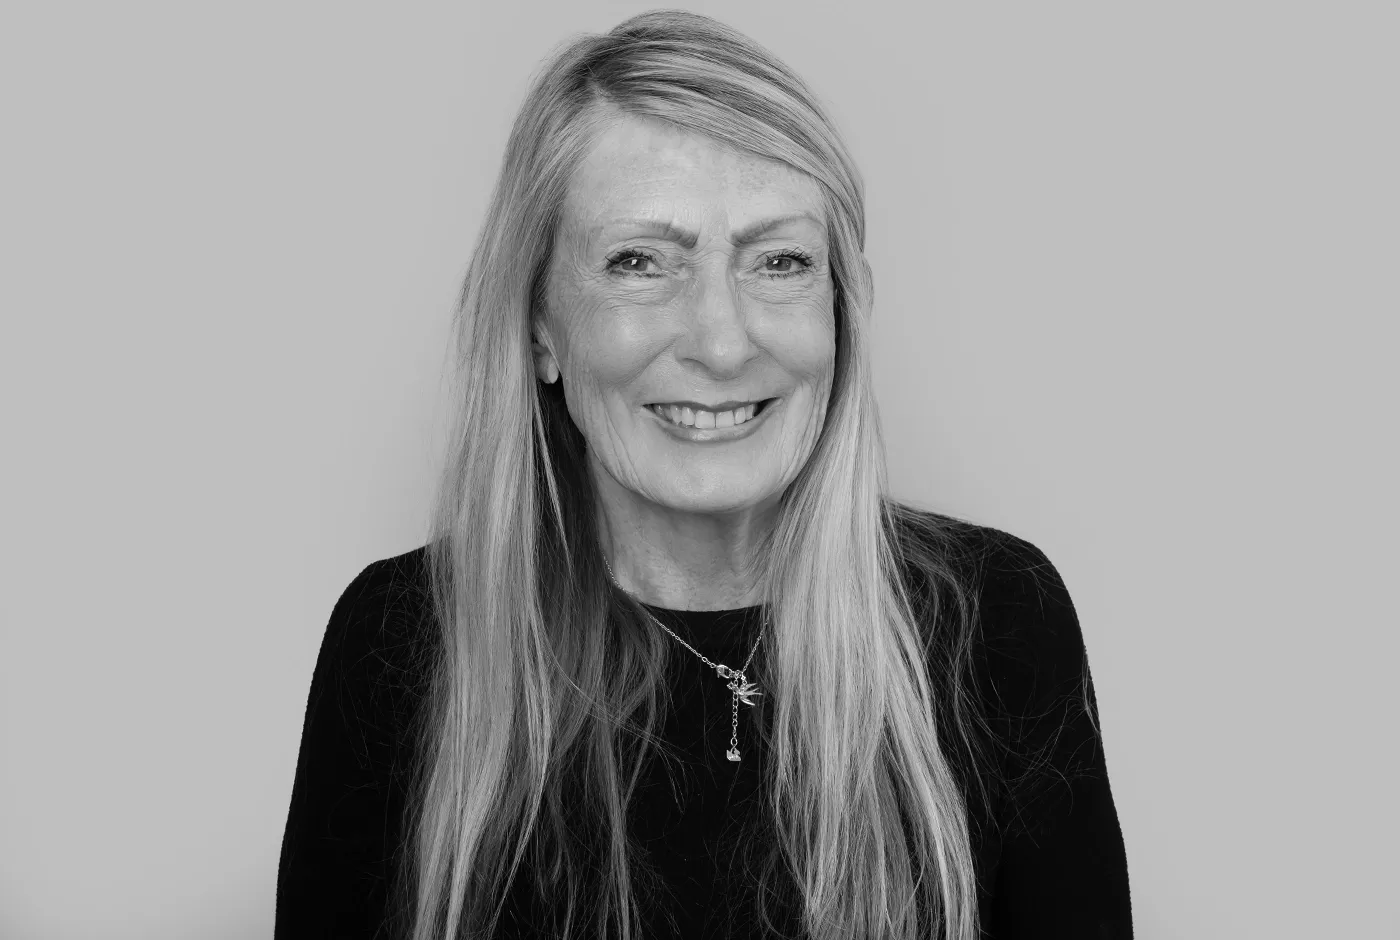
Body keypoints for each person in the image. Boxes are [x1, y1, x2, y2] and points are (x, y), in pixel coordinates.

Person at [275, 11, 1132, 940]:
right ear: (540, 325)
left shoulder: (999, 624)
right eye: (639, 262)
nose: (722, 344)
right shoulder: (401, 645)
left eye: (780, 262)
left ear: (841, 311)